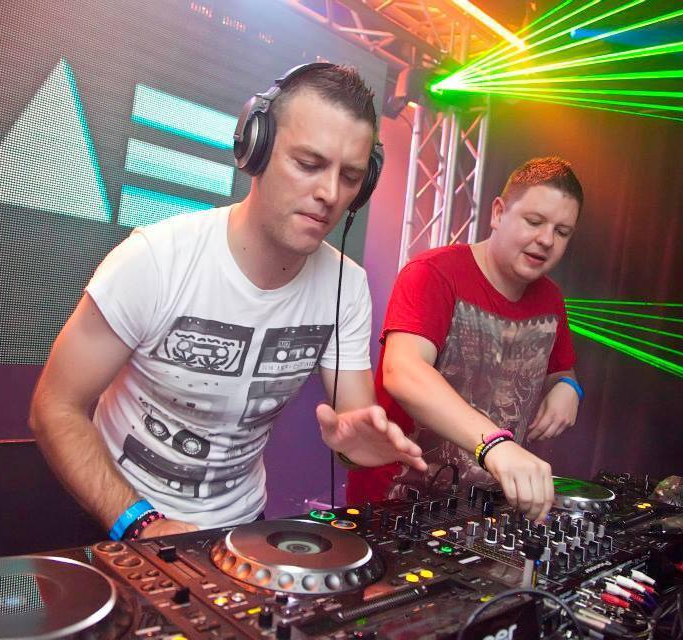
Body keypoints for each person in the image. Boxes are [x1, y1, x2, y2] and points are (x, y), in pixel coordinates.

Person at [29, 63, 426, 542]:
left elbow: (352, 428)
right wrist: (140, 523)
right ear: (256, 148)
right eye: (308, 164)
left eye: (350, 176)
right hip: (122, 517)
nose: (329, 193)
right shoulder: (154, 259)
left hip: (240, 529)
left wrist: (356, 449)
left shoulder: (347, 285)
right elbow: (56, 407)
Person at [346, 157, 584, 523]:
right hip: (395, 505)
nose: (546, 239)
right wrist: (495, 443)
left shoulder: (551, 298)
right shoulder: (433, 274)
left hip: (481, 510)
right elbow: (403, 371)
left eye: (562, 231)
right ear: (498, 213)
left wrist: (568, 387)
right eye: (534, 221)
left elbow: (561, 371)